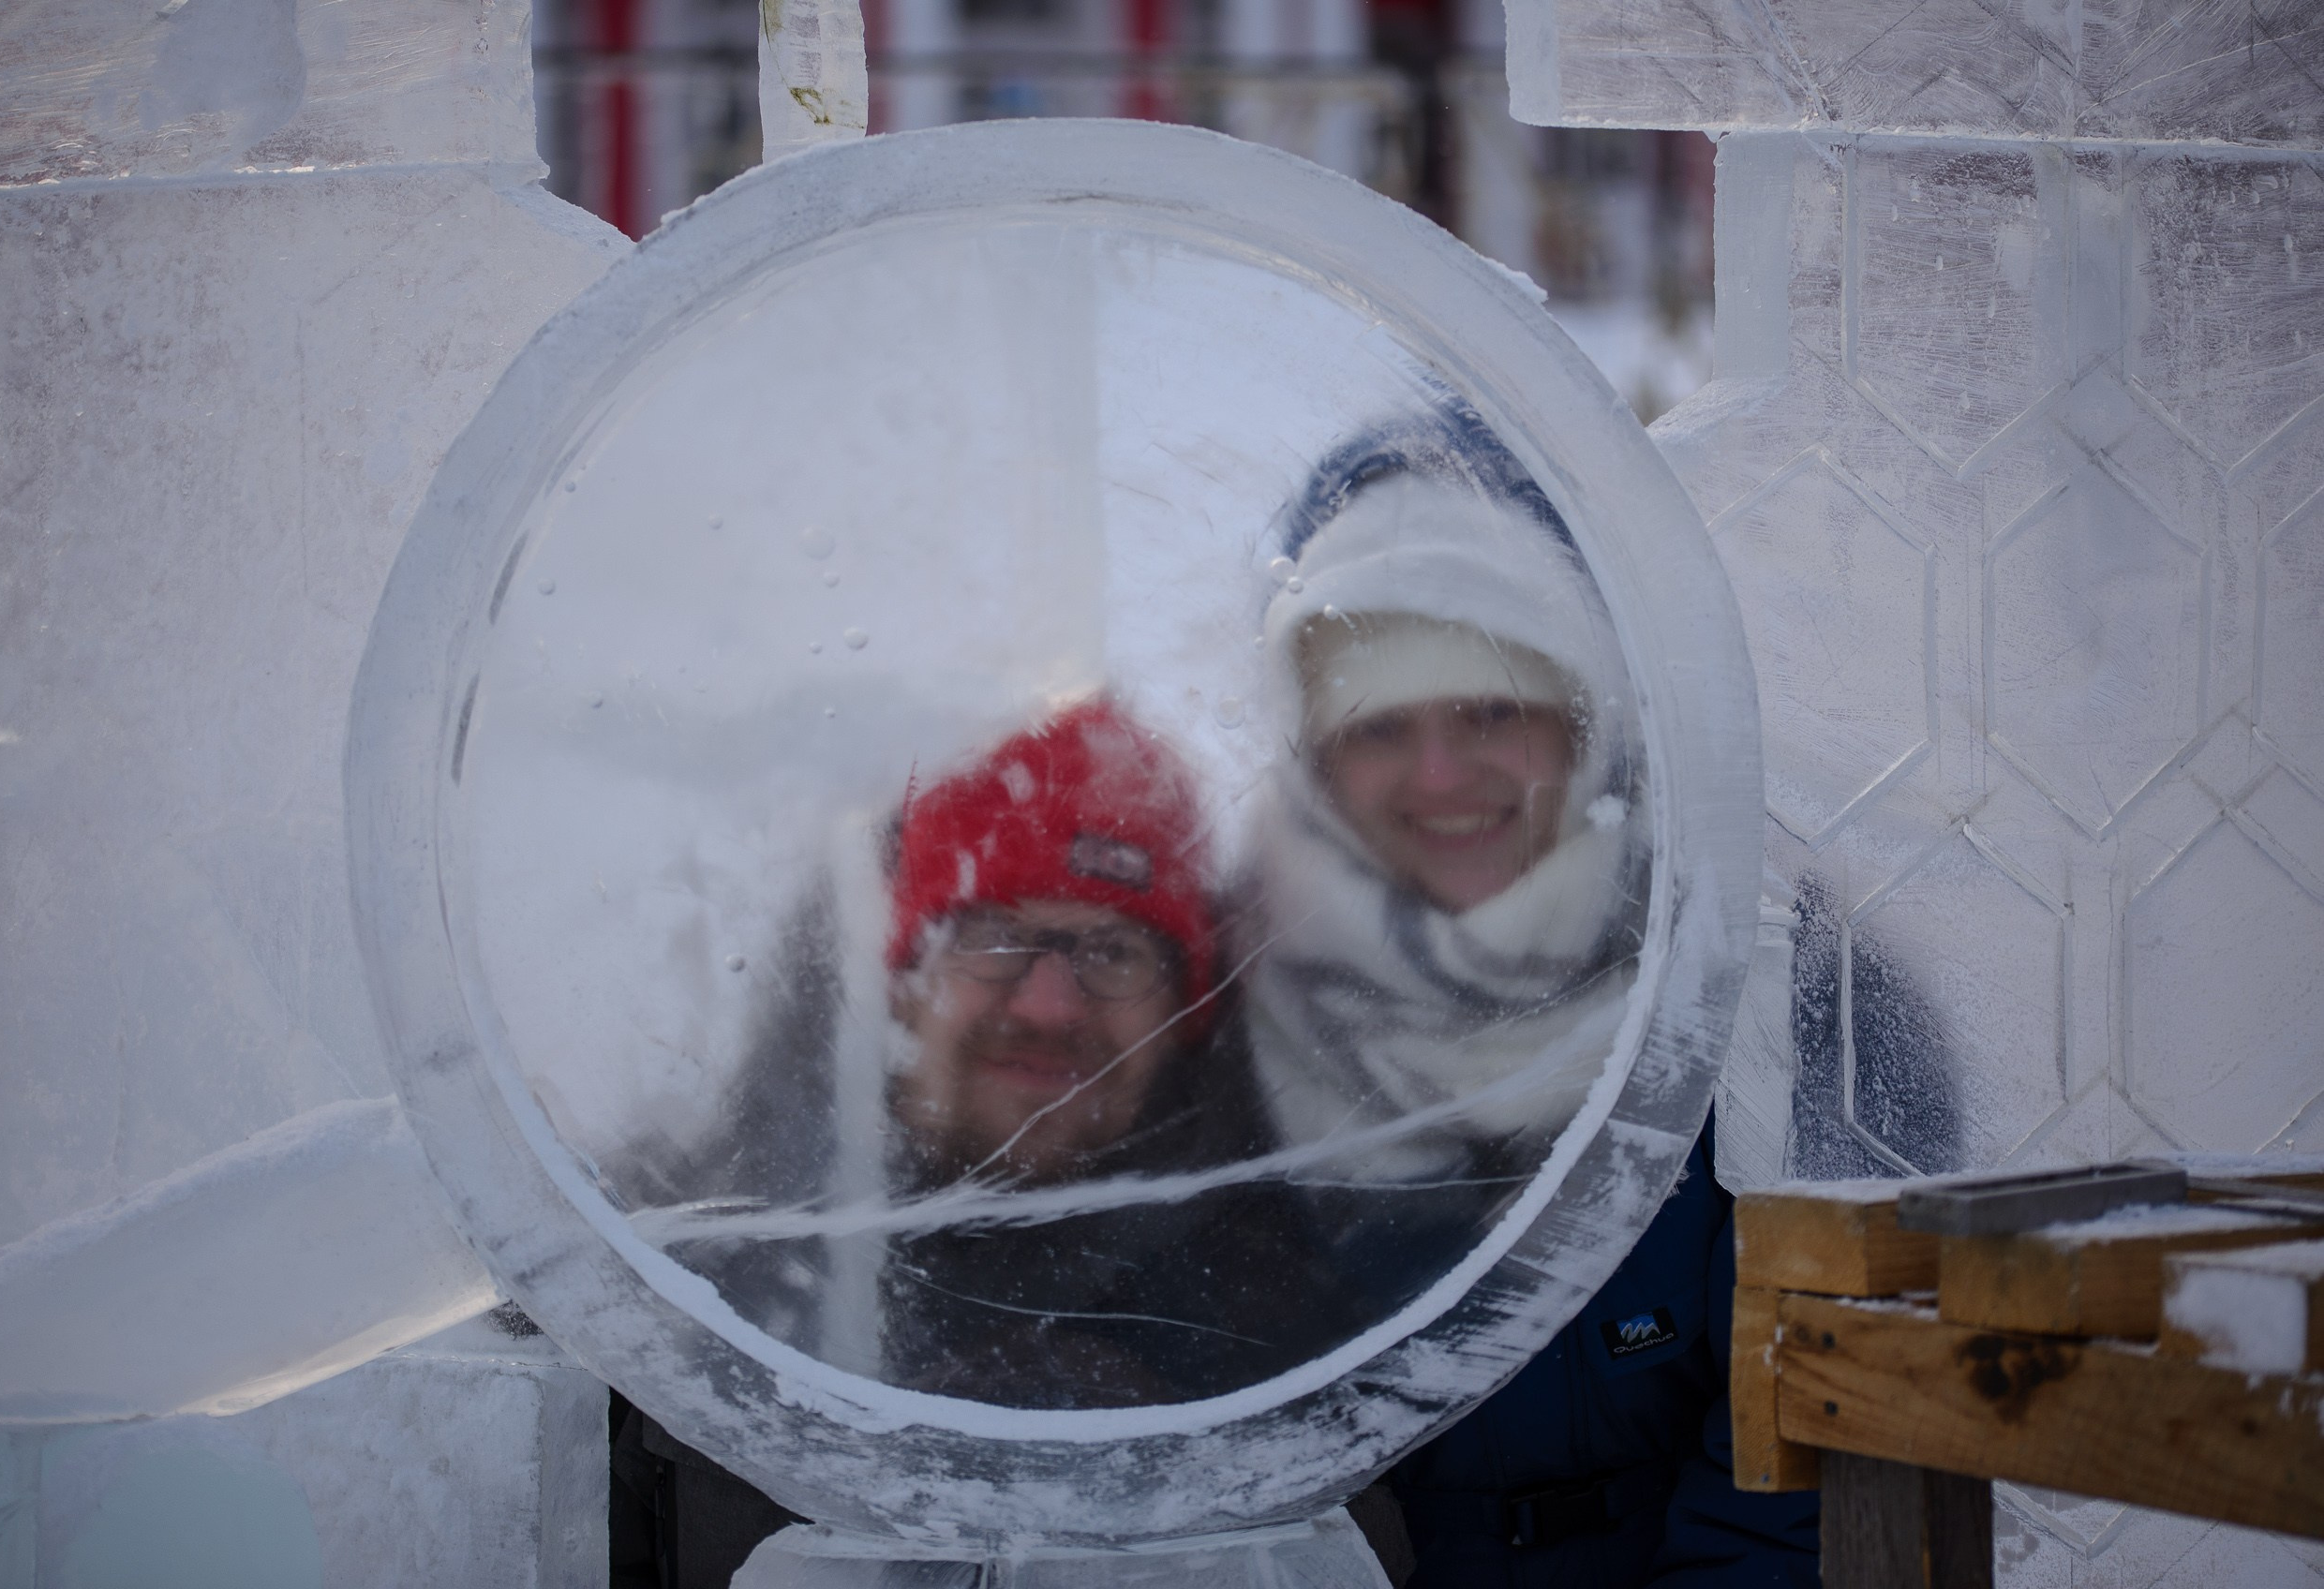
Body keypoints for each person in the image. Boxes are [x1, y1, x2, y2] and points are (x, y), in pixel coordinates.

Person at [1241, 403, 1818, 1587]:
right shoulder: (1225, 1010)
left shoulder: (1770, 1000)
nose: (1441, 775)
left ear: (1589, 711)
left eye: (1492, 707)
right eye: (1378, 724)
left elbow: (1815, 1450)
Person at [611, 697, 1351, 1410]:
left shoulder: (1298, 1350)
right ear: (899, 985)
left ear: (1186, 1012)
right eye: (991, 935)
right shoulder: (666, 1278)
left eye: (1115, 951)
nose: (1050, 1006)